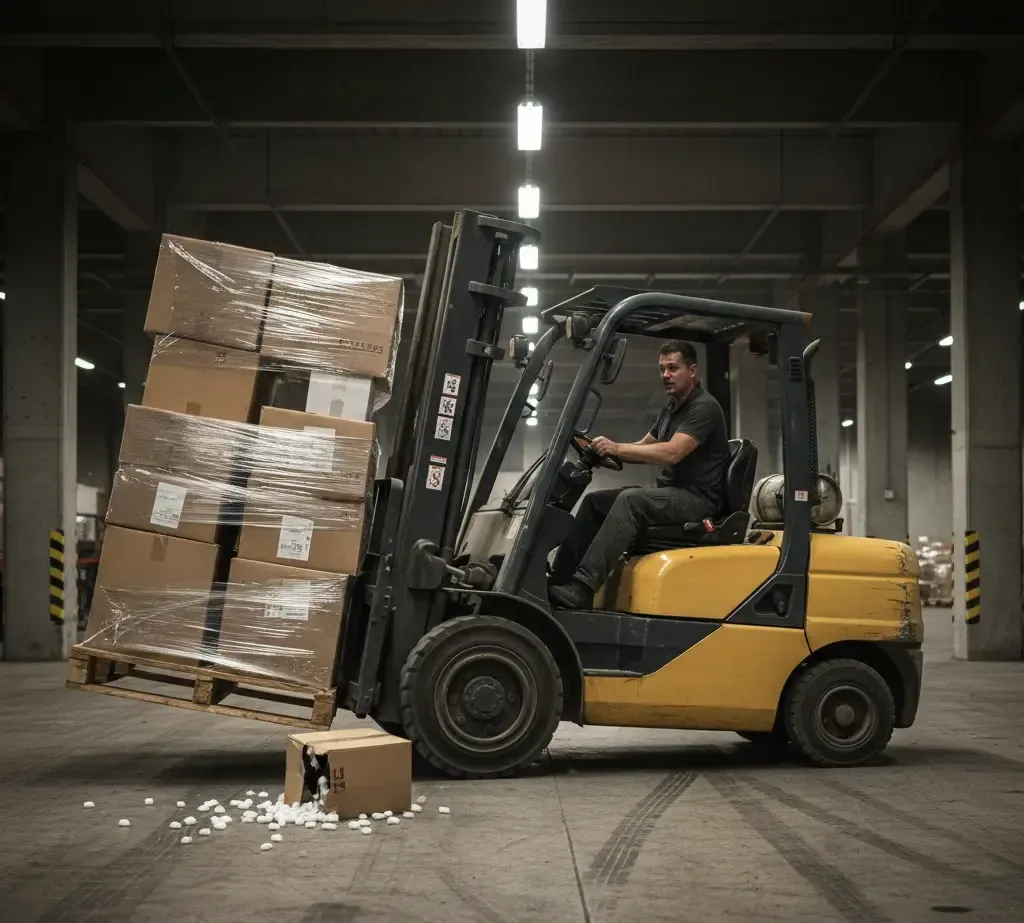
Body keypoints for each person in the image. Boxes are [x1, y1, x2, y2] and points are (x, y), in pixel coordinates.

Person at [549, 340, 731, 609]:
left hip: (697, 499)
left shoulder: (703, 407)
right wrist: (605, 449)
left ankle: (583, 587)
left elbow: (673, 453)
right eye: (662, 369)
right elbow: (644, 445)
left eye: (673, 368)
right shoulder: (671, 408)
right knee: (595, 502)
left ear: (692, 371)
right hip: (671, 493)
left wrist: (617, 448)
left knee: (631, 501)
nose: (666, 375)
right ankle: (559, 580)